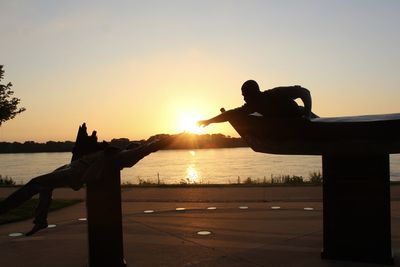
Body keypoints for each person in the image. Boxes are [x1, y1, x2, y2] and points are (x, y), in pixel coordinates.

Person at [0, 134, 176, 236]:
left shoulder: (122, 156)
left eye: (123, 142)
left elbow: (153, 145)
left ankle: (4, 210)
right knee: (45, 186)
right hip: (73, 166)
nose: (118, 141)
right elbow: (154, 140)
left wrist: (186, 133)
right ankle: (41, 220)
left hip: (75, 173)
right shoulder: (112, 151)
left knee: (36, 183)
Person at [198, 80, 318, 127]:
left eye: (245, 95)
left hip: (303, 115)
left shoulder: (275, 93)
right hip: (287, 123)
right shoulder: (252, 106)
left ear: (253, 93)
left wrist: (307, 115)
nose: (244, 99)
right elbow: (230, 114)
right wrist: (209, 121)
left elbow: (304, 92)